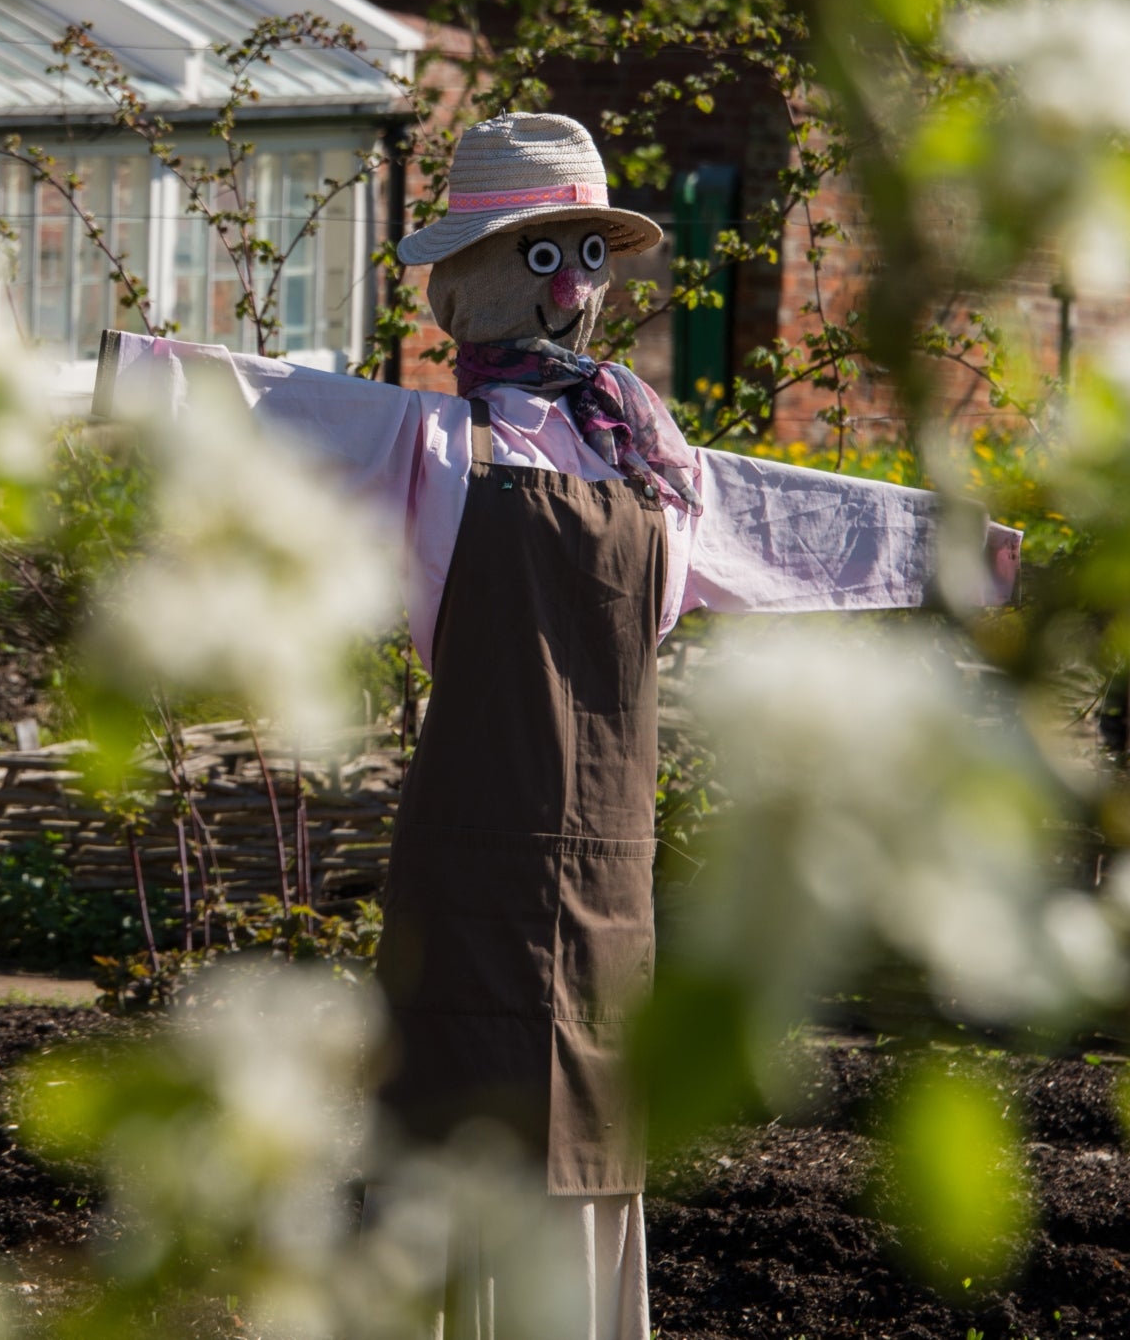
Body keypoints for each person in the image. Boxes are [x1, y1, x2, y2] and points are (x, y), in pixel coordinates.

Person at [95, 111, 1018, 1340]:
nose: (573, 285)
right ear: (471, 279)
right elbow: (261, 401)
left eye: (586, 254)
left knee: (586, 1133)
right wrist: (114, 378)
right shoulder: (426, 441)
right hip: (472, 858)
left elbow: (784, 515)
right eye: (543, 254)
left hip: (607, 873)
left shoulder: (653, 454)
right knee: (458, 1132)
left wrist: (967, 551)